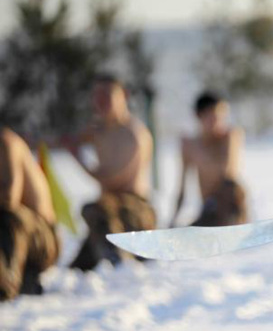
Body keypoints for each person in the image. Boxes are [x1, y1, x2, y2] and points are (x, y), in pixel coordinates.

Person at [63, 73, 156, 271]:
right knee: (78, 268)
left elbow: (114, 180)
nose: (100, 100)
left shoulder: (134, 133)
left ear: (124, 95)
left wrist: (79, 159)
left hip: (135, 211)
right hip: (105, 215)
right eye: (96, 94)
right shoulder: (98, 129)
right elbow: (66, 140)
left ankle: (120, 260)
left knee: (95, 210)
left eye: (106, 94)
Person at [171, 92, 247, 228]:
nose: (218, 121)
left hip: (230, 206)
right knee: (188, 233)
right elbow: (182, 188)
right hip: (209, 209)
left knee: (231, 188)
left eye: (221, 116)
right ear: (199, 116)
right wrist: (172, 220)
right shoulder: (190, 144)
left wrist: (198, 151)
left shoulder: (230, 135)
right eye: (213, 116)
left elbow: (226, 172)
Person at [0, 128, 59, 300]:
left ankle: (6, 285)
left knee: (11, 216)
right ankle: (22, 278)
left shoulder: (6, 142)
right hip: (20, 240)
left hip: (43, 239)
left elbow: (9, 197)